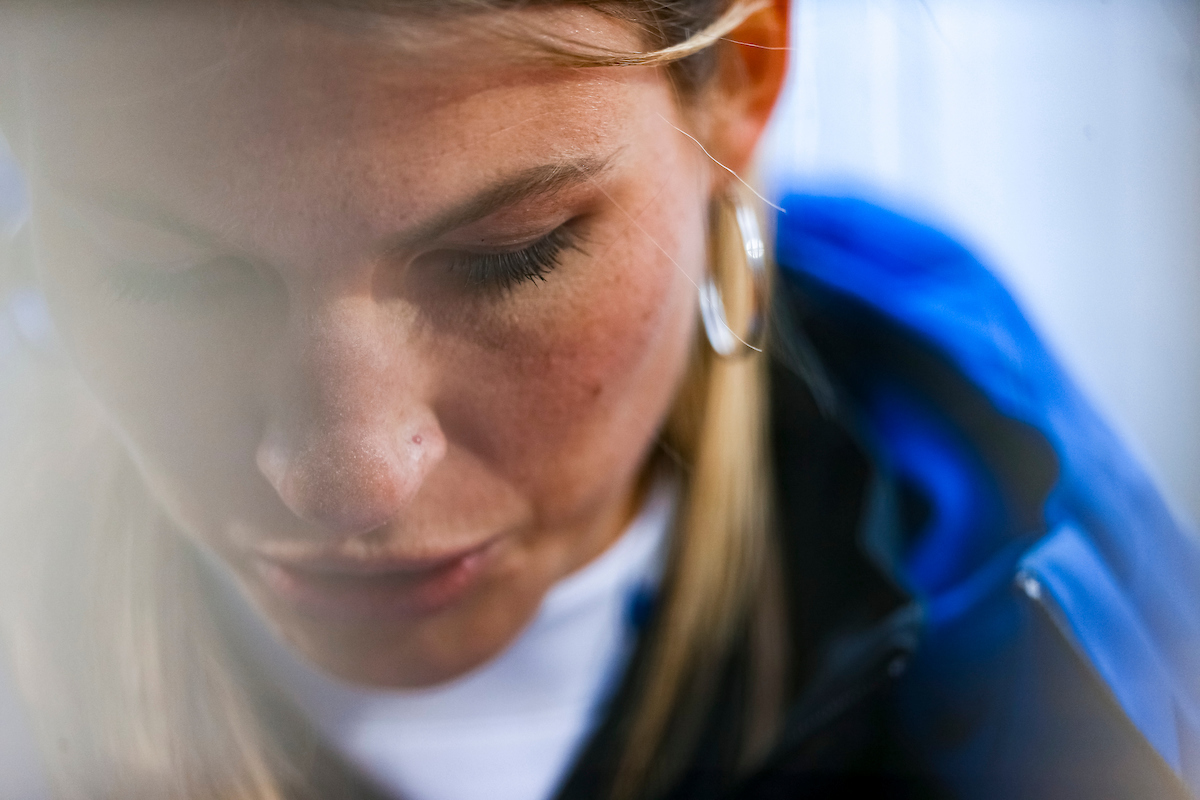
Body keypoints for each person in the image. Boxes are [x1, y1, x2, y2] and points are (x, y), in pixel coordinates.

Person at [0, 2, 1198, 799]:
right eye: (164, 269)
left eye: (506, 254)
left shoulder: (1028, 620)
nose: (347, 475)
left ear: (740, 72)